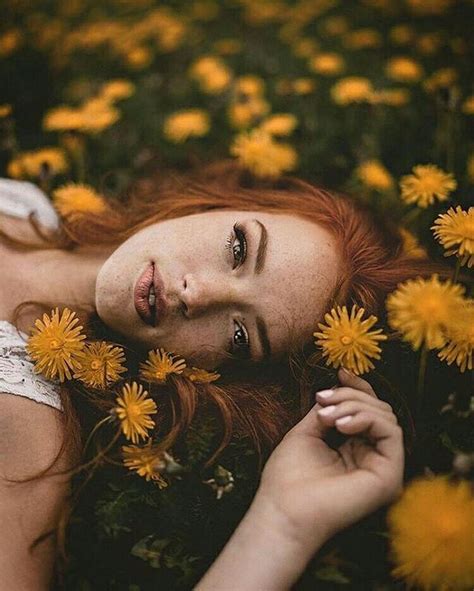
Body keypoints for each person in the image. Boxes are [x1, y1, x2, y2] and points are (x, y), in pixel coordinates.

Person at [0, 161, 439, 590]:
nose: (198, 295)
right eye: (239, 249)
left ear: (218, 376)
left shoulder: (28, 430)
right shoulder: (27, 204)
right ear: (216, 205)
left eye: (240, 336)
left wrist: (283, 525)